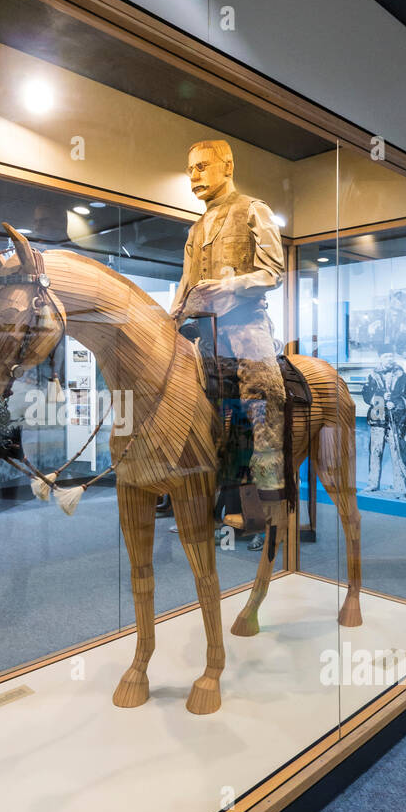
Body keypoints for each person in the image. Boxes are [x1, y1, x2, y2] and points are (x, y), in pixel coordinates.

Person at [170, 139, 285, 537]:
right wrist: (169, 321)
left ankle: (269, 487)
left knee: (263, 389)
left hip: (246, 324)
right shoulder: (196, 227)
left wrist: (233, 288)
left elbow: (274, 271)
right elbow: (185, 285)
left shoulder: (254, 209)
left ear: (228, 166)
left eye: (202, 166)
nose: (194, 175)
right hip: (204, 330)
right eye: (190, 169)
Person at [362, 352, 406, 500]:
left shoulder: (403, 377)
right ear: (381, 358)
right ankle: (373, 484)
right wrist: (380, 397)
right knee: (375, 452)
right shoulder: (373, 376)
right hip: (377, 419)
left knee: (397, 453)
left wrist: (396, 403)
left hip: (397, 421)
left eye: (391, 356)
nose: (390, 359)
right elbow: (367, 394)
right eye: (386, 356)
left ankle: (400, 486)